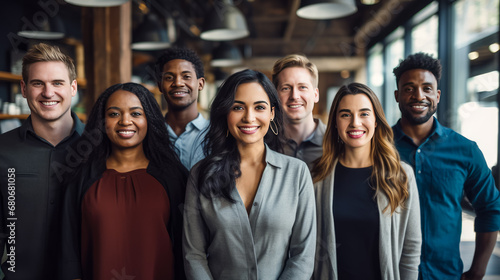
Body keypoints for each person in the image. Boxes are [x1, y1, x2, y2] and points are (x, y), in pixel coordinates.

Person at [183, 69, 316, 279]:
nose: (249, 117)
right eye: (238, 107)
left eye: (259, 107)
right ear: (225, 113)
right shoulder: (201, 174)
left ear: (272, 113)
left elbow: (303, 256)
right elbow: (194, 255)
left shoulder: (296, 174)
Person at [61, 83, 188, 280]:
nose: (125, 121)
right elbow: (68, 248)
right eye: (114, 114)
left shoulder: (174, 177)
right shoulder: (81, 176)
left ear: (149, 120)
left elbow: (186, 248)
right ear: (102, 122)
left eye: (136, 113)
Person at [392, 52, 500, 279]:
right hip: (389, 272)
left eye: (427, 88)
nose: (418, 95)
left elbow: (490, 208)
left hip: (444, 274)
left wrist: (478, 270)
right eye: (409, 88)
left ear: (437, 95)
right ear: (397, 95)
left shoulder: (466, 150)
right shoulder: (377, 147)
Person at [312, 83, 421, 280]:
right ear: (335, 121)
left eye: (364, 114)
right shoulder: (317, 176)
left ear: (376, 120)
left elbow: (411, 249)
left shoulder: (402, 175)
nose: (355, 122)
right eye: (345, 114)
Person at [0, 43, 84, 279]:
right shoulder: (2, 151)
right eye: (38, 83)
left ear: (73, 87)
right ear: (24, 89)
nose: (48, 93)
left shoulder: (99, 148)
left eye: (57, 83)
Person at [154, 47, 208, 169]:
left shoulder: (216, 134)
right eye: (169, 78)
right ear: (160, 86)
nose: (178, 83)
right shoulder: (150, 134)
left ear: (200, 84)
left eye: (186, 76)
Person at [271, 54, 326, 169]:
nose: (294, 96)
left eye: (302, 87)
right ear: (275, 96)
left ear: (315, 95)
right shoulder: (264, 144)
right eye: (286, 88)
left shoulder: (335, 142)